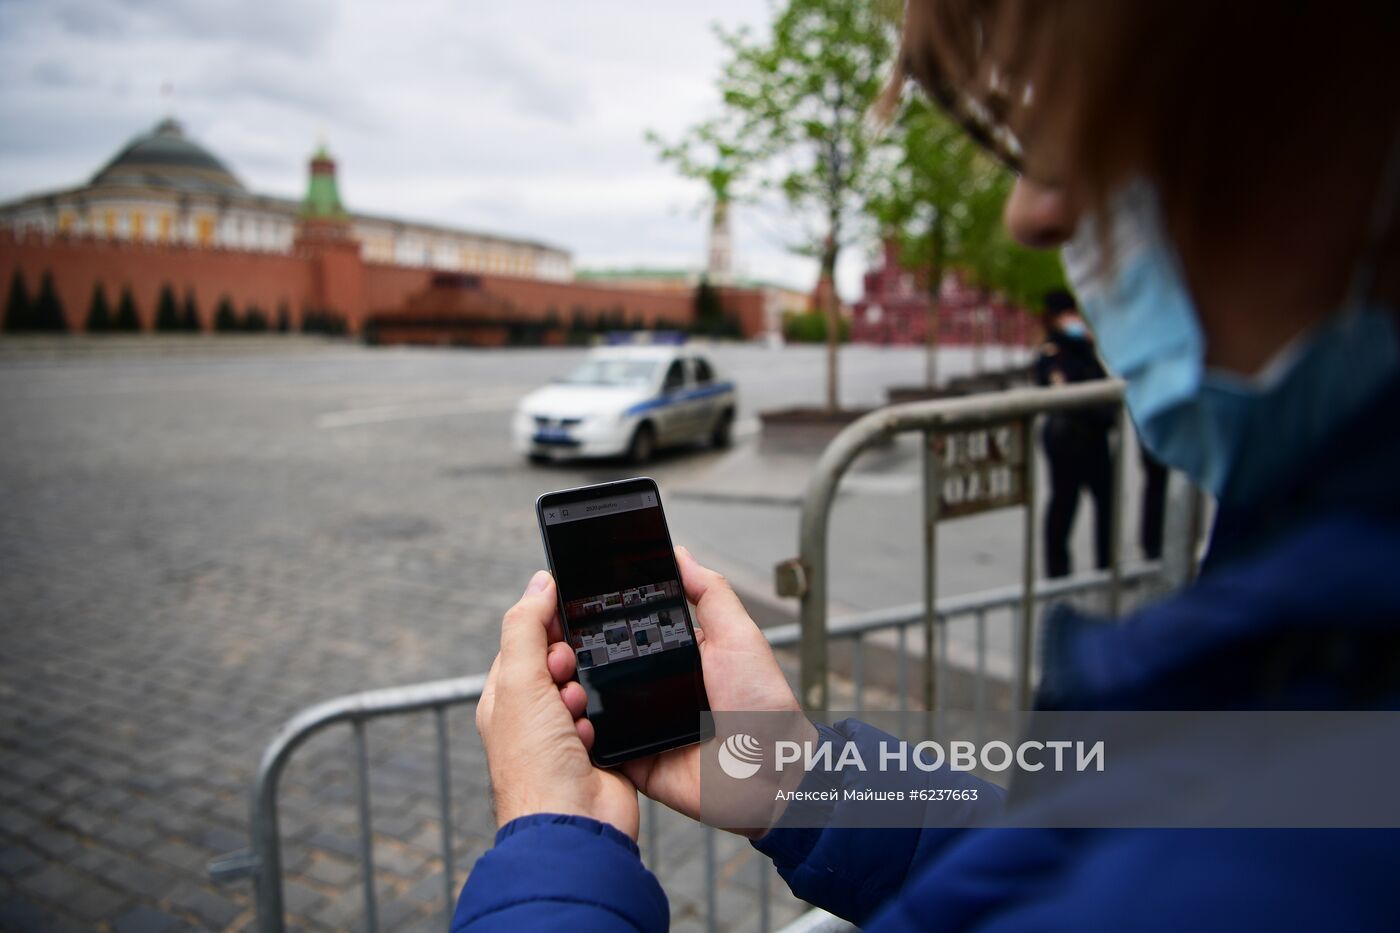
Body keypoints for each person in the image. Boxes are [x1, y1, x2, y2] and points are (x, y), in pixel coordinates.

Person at [454, 1, 1400, 929]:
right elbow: (1097, 868)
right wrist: (791, 776)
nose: (1033, 210)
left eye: (1094, 106)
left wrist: (555, 858)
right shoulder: (1324, 654)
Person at [1033, 289, 1114, 577]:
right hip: (1067, 441)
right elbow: (1062, 391)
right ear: (1054, 318)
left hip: (1096, 439)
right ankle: (1058, 573)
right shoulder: (1052, 352)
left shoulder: (1085, 348)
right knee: (1064, 505)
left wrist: (1089, 345)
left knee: (1108, 504)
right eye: (1067, 314)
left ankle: (1107, 566)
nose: (1074, 320)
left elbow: (1105, 381)